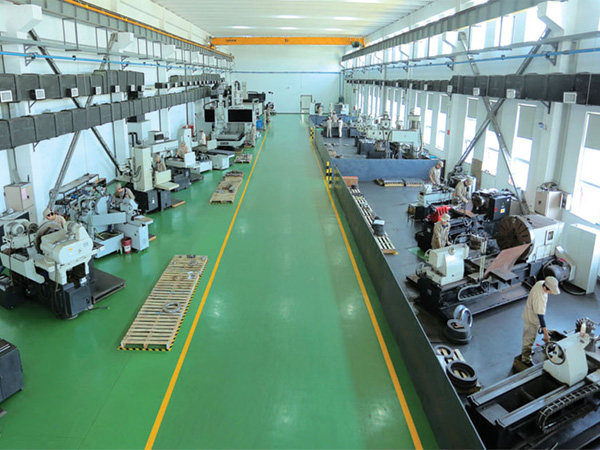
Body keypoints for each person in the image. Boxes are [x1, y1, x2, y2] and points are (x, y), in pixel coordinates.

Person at [521, 276, 561, 366]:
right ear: (545, 288)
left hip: (530, 312)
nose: (551, 293)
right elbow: (541, 318)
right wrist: (546, 335)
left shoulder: (541, 283)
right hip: (532, 319)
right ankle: (525, 359)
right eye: (551, 291)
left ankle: (527, 353)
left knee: (530, 337)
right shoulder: (540, 297)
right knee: (529, 339)